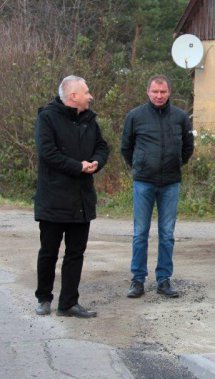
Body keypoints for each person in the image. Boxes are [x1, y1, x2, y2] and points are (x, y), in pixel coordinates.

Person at [34, 75, 109, 318]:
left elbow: (102, 146)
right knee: (49, 251)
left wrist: (96, 162)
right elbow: (48, 153)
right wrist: (78, 166)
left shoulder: (90, 119)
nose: (91, 96)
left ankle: (68, 303)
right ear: (73, 95)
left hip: (81, 200)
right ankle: (44, 298)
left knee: (75, 253)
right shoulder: (47, 117)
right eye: (87, 92)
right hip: (53, 198)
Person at [121, 75, 194, 299]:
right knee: (140, 233)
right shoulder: (135, 116)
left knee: (167, 234)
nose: (159, 96)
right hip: (144, 181)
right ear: (148, 92)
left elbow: (188, 148)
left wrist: (175, 163)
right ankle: (137, 280)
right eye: (155, 92)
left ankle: (164, 279)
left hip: (170, 182)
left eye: (163, 92)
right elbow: (126, 147)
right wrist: (140, 165)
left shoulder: (181, 117)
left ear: (169, 92)